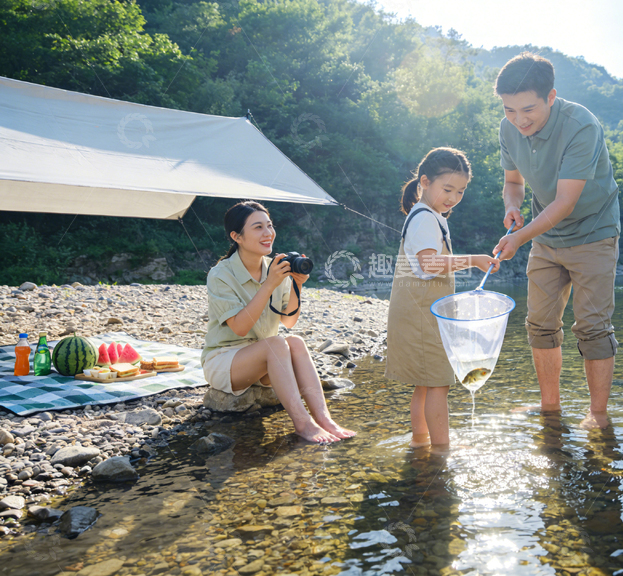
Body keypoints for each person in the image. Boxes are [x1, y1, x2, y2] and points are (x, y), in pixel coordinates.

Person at [491, 52, 621, 429]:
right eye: (510, 110)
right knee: (540, 324)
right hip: (545, 237)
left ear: (551, 96)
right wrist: (513, 208)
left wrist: (518, 239)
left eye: (527, 109)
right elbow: (513, 183)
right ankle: (550, 407)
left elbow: (565, 202)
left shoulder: (581, 125)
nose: (519, 119)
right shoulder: (508, 128)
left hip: (593, 233)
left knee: (593, 326)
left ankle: (597, 415)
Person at [202, 201, 355, 443]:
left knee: (294, 341)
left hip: (266, 358)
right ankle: (303, 424)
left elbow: (289, 321)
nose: (268, 233)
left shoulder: (274, 268)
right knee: (276, 344)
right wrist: (269, 284)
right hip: (226, 360)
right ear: (236, 236)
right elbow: (240, 327)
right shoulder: (221, 274)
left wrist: (297, 285)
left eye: (270, 225)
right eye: (258, 227)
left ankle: (325, 419)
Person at [385, 147, 500, 450]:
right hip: (422, 314)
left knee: (425, 383)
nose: (453, 198)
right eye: (447, 189)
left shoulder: (430, 216)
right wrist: (474, 259)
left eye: (460, 192)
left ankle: (420, 443)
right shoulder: (424, 218)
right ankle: (441, 452)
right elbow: (428, 264)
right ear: (424, 181)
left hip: (420, 312)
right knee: (438, 383)